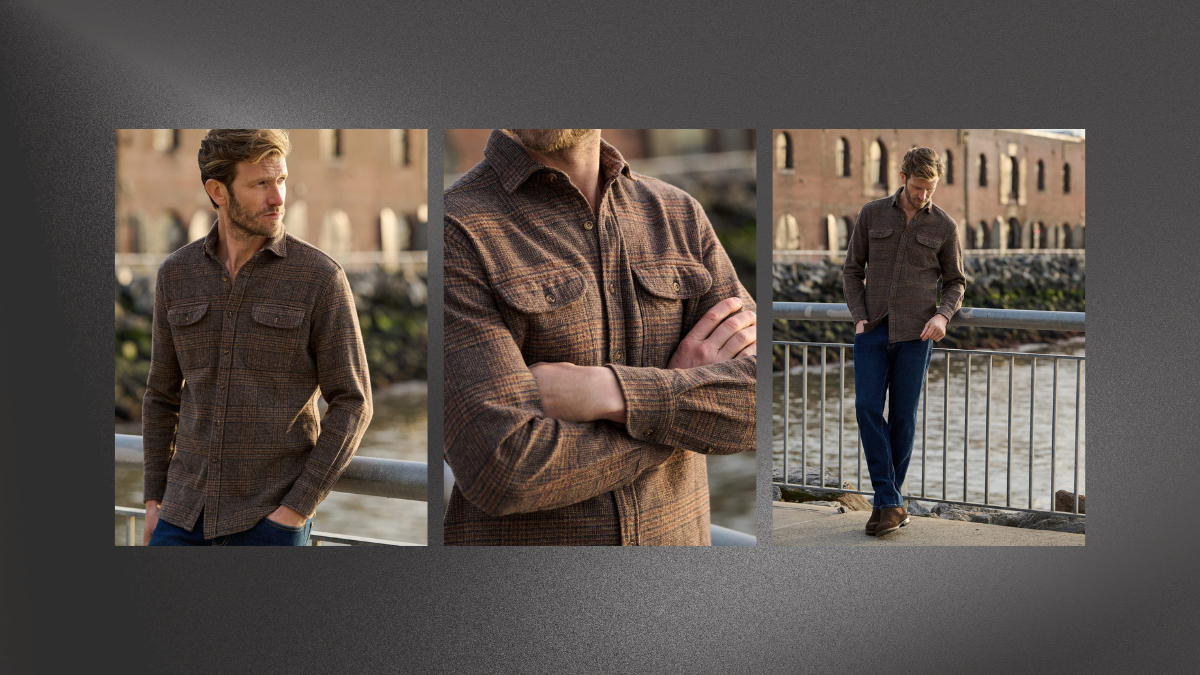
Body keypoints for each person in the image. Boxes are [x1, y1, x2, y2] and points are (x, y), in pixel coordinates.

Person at [443, 129, 756, 545]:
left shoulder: (679, 214)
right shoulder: (454, 229)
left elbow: (759, 403)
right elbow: (503, 470)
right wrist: (685, 409)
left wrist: (607, 392)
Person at [141, 129, 373, 546]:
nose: (278, 198)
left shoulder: (320, 278)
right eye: (260, 184)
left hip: (268, 525)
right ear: (218, 192)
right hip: (180, 517)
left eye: (280, 180)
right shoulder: (176, 275)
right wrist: (154, 501)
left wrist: (296, 509)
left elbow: (353, 402)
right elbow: (161, 395)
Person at [843, 146, 966, 538]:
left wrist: (942, 315)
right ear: (902, 177)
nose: (923, 195)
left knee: (902, 419)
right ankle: (892, 500)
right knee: (865, 407)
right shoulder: (871, 213)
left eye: (930, 188)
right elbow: (851, 270)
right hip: (873, 328)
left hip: (917, 334)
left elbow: (956, 282)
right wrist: (859, 316)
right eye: (918, 187)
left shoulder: (944, 226)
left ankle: (886, 507)